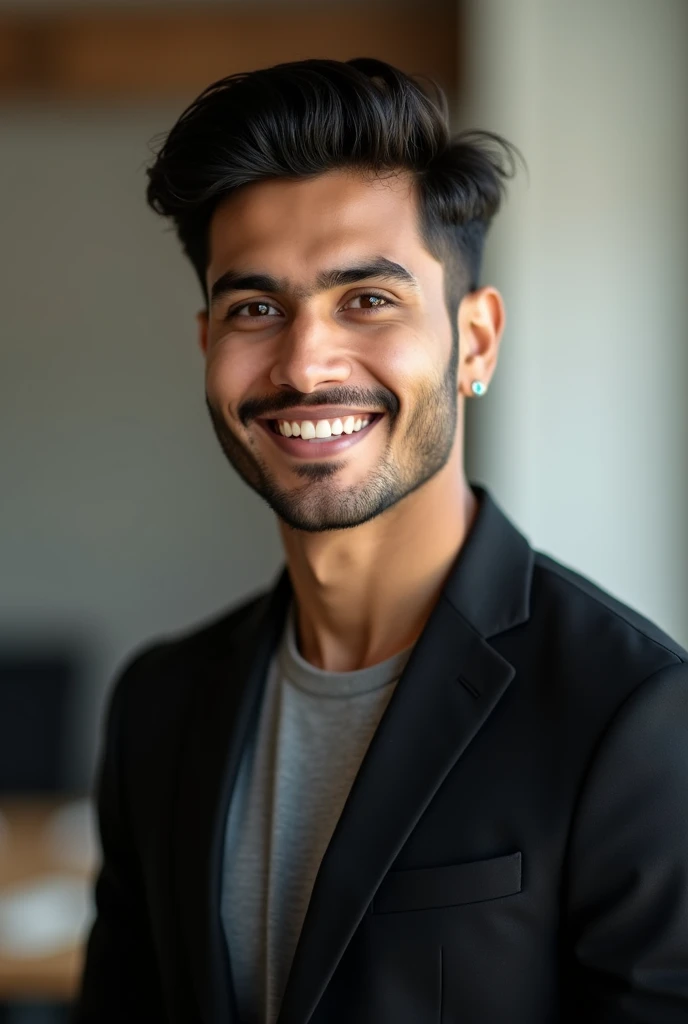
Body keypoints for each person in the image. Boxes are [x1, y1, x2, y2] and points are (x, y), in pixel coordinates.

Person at [72, 58, 688, 1024]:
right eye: (255, 308)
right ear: (207, 346)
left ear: (475, 342)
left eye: (368, 299)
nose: (305, 361)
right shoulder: (159, 703)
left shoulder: (637, 714)